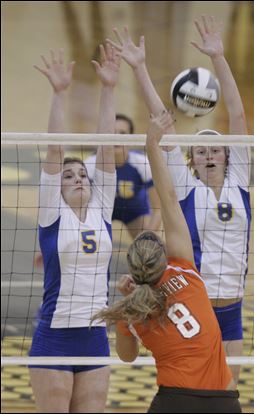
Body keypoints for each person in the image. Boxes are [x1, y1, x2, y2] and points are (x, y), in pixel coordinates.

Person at [106, 15, 250, 386]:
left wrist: (218, 57)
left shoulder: (240, 181)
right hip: (192, 303)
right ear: (193, 160)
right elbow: (162, 124)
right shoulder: (187, 187)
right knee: (190, 390)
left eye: (214, 148)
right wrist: (139, 68)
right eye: (199, 150)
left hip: (231, 308)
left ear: (227, 153)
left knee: (227, 395)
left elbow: (237, 113)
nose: (207, 154)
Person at [92, 111, 241, 414]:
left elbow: (127, 357)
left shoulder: (134, 308)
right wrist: (152, 144)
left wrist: (125, 306)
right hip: (222, 402)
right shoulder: (185, 269)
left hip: (173, 401)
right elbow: (169, 199)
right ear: (163, 255)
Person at [28, 45, 119, 413]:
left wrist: (109, 88)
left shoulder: (102, 209)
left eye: (83, 174)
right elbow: (54, 151)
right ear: (58, 187)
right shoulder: (53, 213)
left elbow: (108, 148)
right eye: (69, 176)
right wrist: (59, 94)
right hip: (54, 338)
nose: (78, 178)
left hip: (95, 338)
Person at [85, 114, 162, 239]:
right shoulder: (90, 165)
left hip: (134, 210)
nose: (117, 138)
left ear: (131, 139)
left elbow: (158, 210)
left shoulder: (142, 163)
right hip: (101, 211)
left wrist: (146, 239)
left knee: (149, 243)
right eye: (113, 133)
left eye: (122, 133)